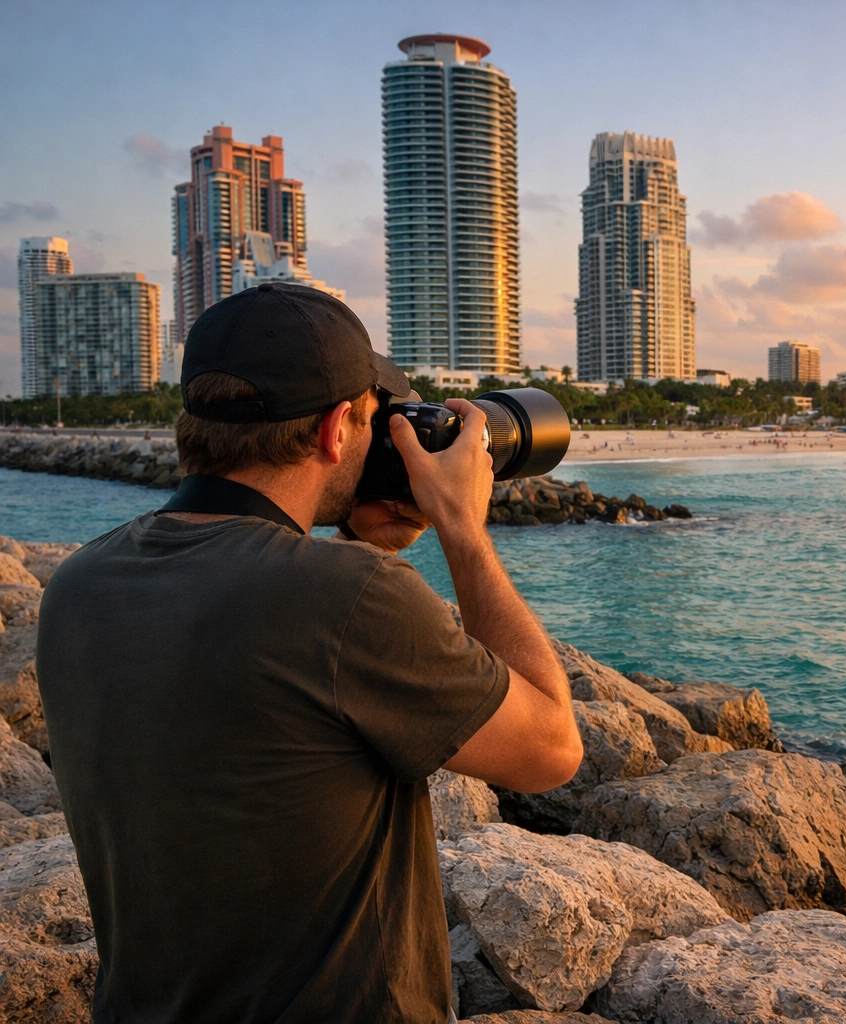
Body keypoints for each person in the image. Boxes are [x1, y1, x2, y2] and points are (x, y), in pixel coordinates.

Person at [36, 282, 583, 1022]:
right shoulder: (346, 599)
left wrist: (353, 548)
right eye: (373, 421)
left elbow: (257, 722)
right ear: (334, 432)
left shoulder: (79, 582)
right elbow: (551, 750)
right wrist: (463, 527)